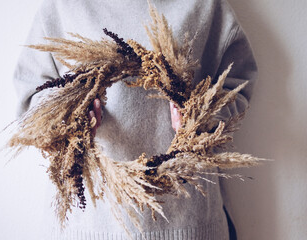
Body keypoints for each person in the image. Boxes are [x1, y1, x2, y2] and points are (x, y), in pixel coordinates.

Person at [14, 0, 257, 239]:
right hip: (90, 223)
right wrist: (67, 115)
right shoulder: (62, 7)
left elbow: (238, 81)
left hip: (187, 223)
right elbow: (31, 96)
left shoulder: (206, 5)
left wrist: (203, 116)